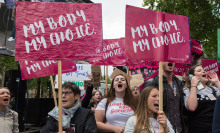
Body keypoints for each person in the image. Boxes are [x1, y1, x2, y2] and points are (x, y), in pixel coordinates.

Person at [142, 62, 186, 133]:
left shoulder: (178, 83)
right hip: (160, 129)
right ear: (160, 62)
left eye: (172, 59)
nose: (170, 61)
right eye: (166, 59)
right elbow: (143, 108)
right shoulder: (152, 83)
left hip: (179, 129)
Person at [95, 68, 137, 133]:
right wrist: (114, 128)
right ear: (113, 86)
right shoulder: (105, 102)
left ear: (126, 85)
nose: (119, 81)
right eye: (116, 80)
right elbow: (97, 122)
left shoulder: (134, 101)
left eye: (122, 80)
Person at [184, 65, 220, 133]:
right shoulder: (187, 90)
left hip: (214, 129)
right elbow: (192, 107)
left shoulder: (214, 90)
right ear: (192, 76)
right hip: (197, 129)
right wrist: (193, 85)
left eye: (203, 70)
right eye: (199, 70)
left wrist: (217, 81)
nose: (203, 71)